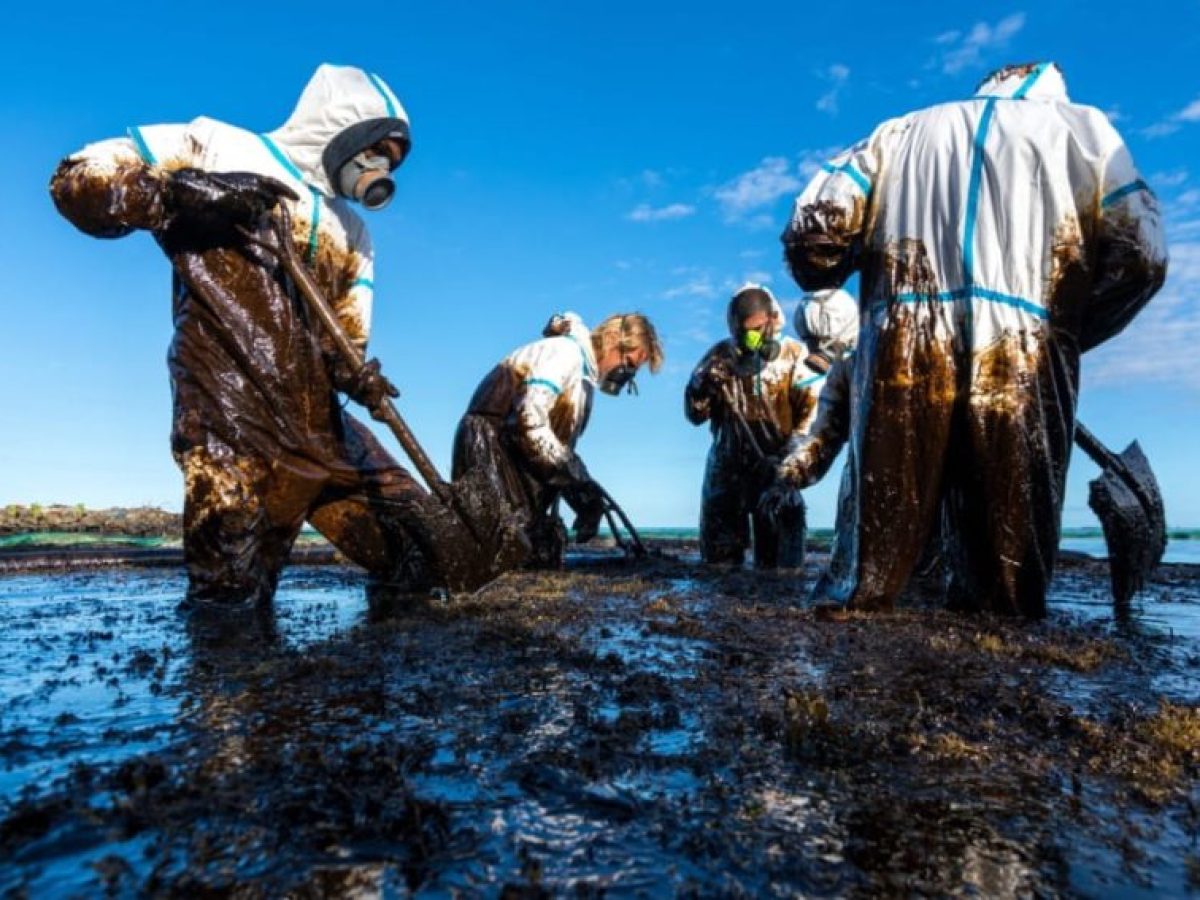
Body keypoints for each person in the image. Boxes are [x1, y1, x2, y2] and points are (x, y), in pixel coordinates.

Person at [50, 63, 453, 611]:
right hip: (231, 410)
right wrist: (181, 194)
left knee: (423, 548)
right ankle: (231, 660)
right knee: (232, 596)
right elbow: (77, 179)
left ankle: (377, 657)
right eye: (378, 150)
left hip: (321, 424)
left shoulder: (355, 230)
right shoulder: (217, 145)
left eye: (394, 162)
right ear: (344, 128)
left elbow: (347, 339)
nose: (380, 169)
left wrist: (359, 376)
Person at [780, 61, 1167, 617]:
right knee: (1006, 561)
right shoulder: (1085, 133)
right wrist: (1064, 335)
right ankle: (1000, 641)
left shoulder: (898, 133)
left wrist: (841, 277)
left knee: (874, 555)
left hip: (901, 340)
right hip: (1024, 347)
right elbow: (1144, 256)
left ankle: (855, 629)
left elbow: (812, 236)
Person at [452, 312, 663, 568]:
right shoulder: (566, 354)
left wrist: (583, 494)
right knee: (501, 548)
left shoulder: (584, 382)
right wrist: (578, 480)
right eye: (628, 363)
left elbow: (556, 450)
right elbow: (529, 419)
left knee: (535, 551)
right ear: (611, 339)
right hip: (487, 442)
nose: (626, 374)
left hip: (512, 450)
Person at [685, 284, 824, 569]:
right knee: (718, 566)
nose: (753, 338)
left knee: (782, 570)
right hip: (726, 472)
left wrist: (788, 470)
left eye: (758, 328)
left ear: (773, 319)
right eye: (745, 331)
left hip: (777, 471)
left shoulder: (795, 358)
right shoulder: (719, 356)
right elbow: (694, 416)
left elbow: (812, 420)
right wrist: (700, 388)